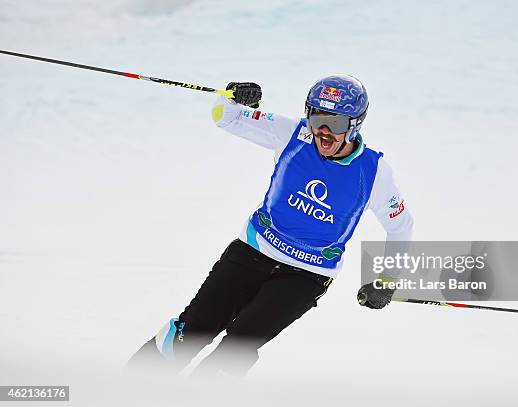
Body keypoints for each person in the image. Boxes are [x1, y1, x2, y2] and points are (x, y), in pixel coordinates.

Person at [127, 74, 413, 377]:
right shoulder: (291, 133)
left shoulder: (373, 172)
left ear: (355, 125)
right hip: (251, 252)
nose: (324, 132)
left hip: (307, 276)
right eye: (317, 119)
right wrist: (234, 96)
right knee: (194, 329)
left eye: (337, 124)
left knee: (237, 347)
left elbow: (401, 227)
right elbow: (226, 118)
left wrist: (386, 280)